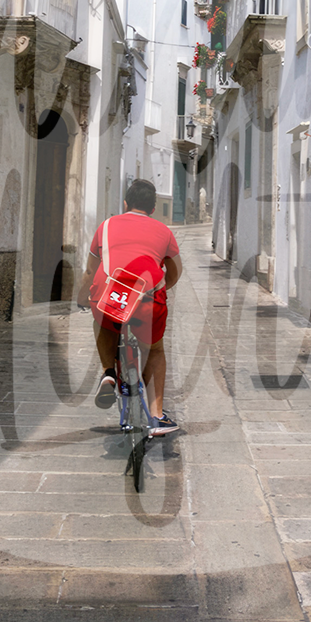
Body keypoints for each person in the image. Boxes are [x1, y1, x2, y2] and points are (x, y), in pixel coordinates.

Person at [76, 178, 182, 433]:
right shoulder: (164, 231)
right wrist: (159, 288)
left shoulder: (106, 226)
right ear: (153, 208)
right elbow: (176, 271)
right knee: (155, 350)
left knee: (102, 320)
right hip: (148, 299)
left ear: (125, 203)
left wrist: (81, 297)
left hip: (110, 294)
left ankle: (109, 372)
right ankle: (156, 416)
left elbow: (91, 271)